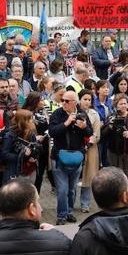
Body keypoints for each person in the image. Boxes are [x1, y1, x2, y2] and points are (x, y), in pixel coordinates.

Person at [47, 89, 93, 225]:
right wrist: (66, 123)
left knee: (72, 190)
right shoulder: (57, 114)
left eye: (67, 101)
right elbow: (52, 132)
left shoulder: (82, 114)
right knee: (62, 190)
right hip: (59, 158)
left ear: (74, 103)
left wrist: (84, 127)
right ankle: (61, 215)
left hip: (77, 157)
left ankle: (69, 212)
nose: (63, 103)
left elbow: (90, 132)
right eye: (62, 100)